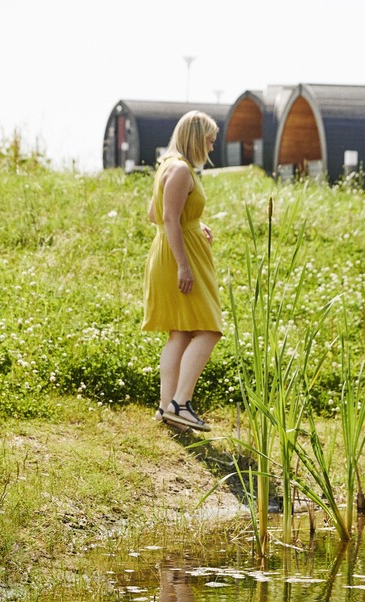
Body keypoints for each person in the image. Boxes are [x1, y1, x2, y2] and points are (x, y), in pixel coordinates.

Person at [141, 111, 222, 432]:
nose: (212, 148)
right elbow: (168, 219)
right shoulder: (180, 170)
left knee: (180, 332)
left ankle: (166, 409)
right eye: (210, 141)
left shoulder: (169, 165)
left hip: (172, 252)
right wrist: (184, 266)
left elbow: (155, 214)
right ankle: (180, 402)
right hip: (178, 258)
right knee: (209, 330)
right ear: (196, 138)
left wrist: (194, 223)